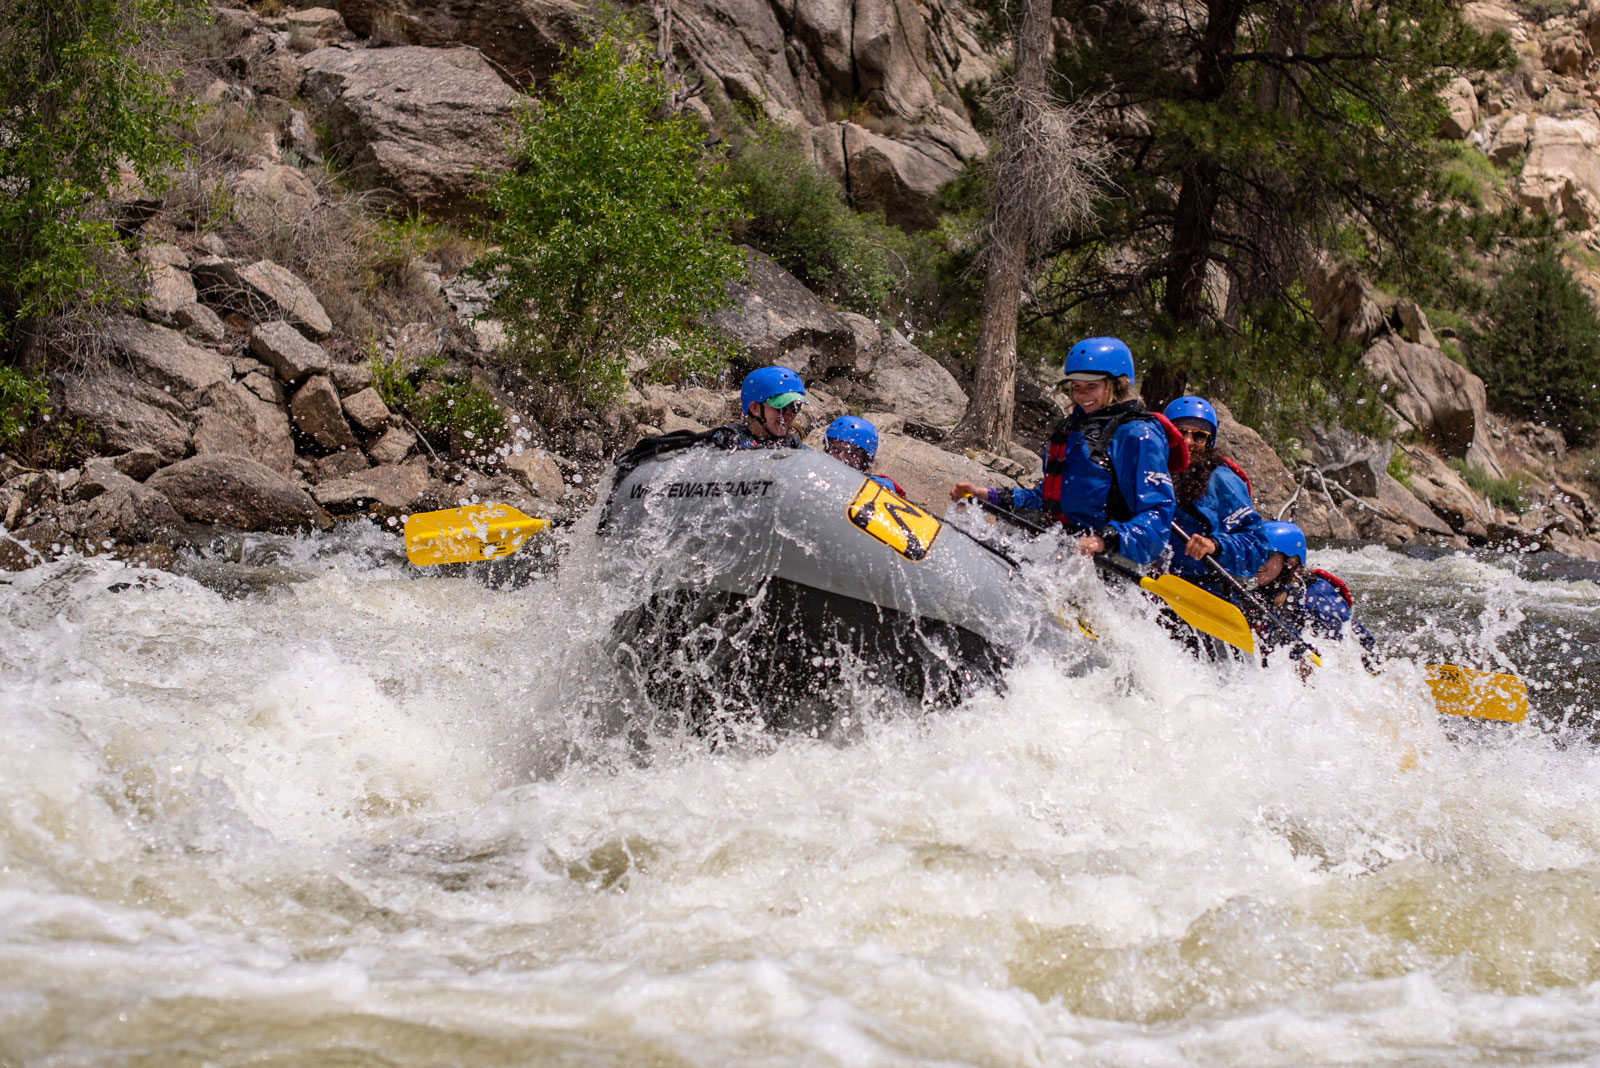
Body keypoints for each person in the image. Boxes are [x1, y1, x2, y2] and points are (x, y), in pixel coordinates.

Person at [949, 336, 1180, 568]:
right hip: (1062, 545)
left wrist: (1104, 540)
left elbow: (1158, 514)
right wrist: (989, 496)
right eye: (1076, 387)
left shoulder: (1137, 435)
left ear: (1116, 385)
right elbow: (1047, 498)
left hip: (1112, 560)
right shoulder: (1073, 429)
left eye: (1092, 386)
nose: (1081, 395)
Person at [1161, 395, 1268, 597]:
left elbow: (1256, 547)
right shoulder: (1151, 470)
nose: (1187, 441)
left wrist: (1216, 545)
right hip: (1155, 584)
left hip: (1206, 591)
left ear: (1209, 442)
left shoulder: (1222, 482)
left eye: (1199, 436)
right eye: (1180, 432)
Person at [1249, 520, 1377, 656]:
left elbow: (1359, 647)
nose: (1258, 562)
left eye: (1266, 555)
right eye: (1255, 554)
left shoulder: (1316, 596)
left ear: (1291, 561)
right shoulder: (1259, 595)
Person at [705, 366, 810, 450]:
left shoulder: (793, 444)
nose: (790, 414)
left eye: (796, 406)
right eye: (782, 407)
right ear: (755, 408)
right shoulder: (727, 439)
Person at [823, 416, 904, 494]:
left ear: (865, 460)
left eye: (851, 453)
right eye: (836, 450)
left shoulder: (876, 485)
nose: (841, 458)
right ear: (827, 450)